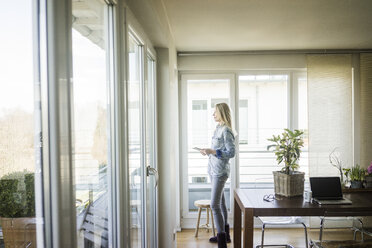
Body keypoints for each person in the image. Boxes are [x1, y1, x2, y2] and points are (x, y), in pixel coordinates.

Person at [199, 103, 236, 248]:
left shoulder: (226, 131)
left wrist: (213, 152)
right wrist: (208, 151)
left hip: (220, 172)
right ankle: (225, 236)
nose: (213, 115)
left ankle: (222, 242)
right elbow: (216, 149)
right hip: (213, 169)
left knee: (214, 204)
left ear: (221, 113)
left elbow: (231, 153)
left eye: (215, 112)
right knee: (221, 203)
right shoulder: (218, 128)